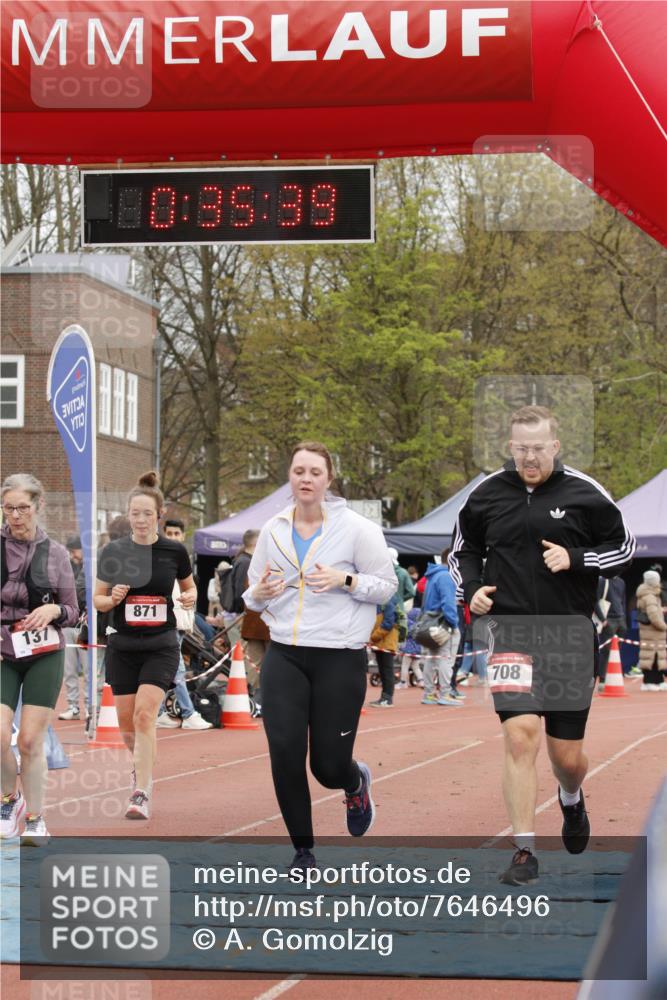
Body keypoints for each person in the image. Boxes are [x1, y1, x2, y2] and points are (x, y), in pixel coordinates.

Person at [449, 405, 635, 885]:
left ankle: (571, 800)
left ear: (555, 445)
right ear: (510, 447)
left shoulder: (585, 493)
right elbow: (461, 551)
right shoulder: (487, 493)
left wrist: (575, 558)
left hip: (570, 636)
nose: (530, 458)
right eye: (522, 448)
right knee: (519, 737)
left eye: (539, 448)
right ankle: (524, 852)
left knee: (566, 757)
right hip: (510, 633)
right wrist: (472, 588)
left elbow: (624, 549)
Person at [243, 441, 396, 872]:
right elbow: (251, 596)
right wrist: (261, 593)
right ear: (289, 477)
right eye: (298, 472)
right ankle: (303, 850)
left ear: (329, 478)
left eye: (314, 472)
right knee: (285, 751)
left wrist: (345, 579)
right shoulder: (272, 529)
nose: (305, 479)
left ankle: (354, 781)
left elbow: (386, 587)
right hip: (285, 655)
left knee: (327, 766)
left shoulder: (357, 529)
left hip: (338, 656)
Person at [94, 472, 198, 820]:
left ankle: (140, 791)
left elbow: (190, 586)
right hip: (122, 645)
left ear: (159, 514)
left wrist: (188, 596)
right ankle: (143, 769)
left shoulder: (173, 550)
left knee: (144, 715)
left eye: (147, 514)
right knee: (127, 725)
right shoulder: (114, 550)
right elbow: (97, 600)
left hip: (160, 645)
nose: (140, 520)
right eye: (134, 513)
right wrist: (113, 599)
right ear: (128, 514)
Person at [0, 474, 79, 844]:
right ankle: (7, 800)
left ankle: (35, 817)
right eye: (8, 508)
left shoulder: (57, 554)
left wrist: (52, 613)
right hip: (3, 649)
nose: (15, 516)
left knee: (30, 741)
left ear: (39, 506)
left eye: (22, 508)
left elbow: (73, 611)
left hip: (43, 652)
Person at [156, 518, 212, 730]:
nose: (172, 537)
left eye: (176, 534)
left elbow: (189, 592)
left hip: (181, 623)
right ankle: (188, 714)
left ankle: (159, 712)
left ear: (182, 536)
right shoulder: (160, 559)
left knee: (167, 671)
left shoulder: (184, 561)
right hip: (167, 623)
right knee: (176, 669)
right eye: (168, 533)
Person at [420, 549, 461, 707]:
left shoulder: (433, 575)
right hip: (442, 622)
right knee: (446, 657)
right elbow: (448, 603)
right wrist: (454, 623)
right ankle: (445, 693)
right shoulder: (446, 576)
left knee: (432, 657)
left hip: (429, 621)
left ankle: (429, 693)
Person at [58, 536, 87, 720]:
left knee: (90, 669)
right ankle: (73, 706)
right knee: (69, 670)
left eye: (75, 550)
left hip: (84, 625)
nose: (72, 554)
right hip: (67, 624)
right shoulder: (65, 567)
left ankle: (93, 707)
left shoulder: (92, 567)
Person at [595, 574, 627, 691]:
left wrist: (624, 618)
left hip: (620, 619)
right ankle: (602, 680)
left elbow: (623, 600)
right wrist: (603, 619)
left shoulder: (621, 582)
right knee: (605, 651)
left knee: (616, 651)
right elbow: (595, 600)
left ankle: (612, 677)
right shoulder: (602, 581)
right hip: (608, 619)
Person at [635, 569, 666, 690]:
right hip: (653, 632)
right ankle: (651, 681)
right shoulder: (650, 596)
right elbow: (654, 616)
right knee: (653, 657)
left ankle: (656, 681)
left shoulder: (646, 594)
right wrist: (664, 626)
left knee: (652, 656)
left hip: (649, 632)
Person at [368, 594, 399, 707]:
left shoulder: (388, 600)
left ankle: (387, 698)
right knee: (383, 670)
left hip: (386, 641)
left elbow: (388, 623)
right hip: (380, 641)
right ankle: (384, 697)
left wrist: (373, 637)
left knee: (387, 670)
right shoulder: (380, 600)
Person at [388, 548, 416, 612]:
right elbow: (412, 592)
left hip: (381, 611)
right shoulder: (403, 572)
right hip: (399, 609)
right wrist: (400, 599)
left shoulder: (380, 572)